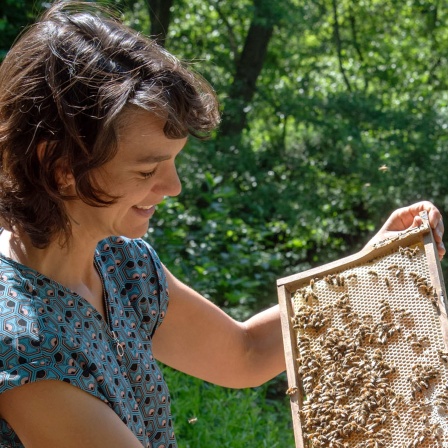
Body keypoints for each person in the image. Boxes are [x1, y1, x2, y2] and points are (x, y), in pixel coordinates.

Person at [0, 2, 444, 448]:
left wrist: (372, 275)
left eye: (173, 163)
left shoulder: (119, 263)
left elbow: (244, 353)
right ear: (60, 167)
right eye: (146, 170)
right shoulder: (23, 345)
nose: (173, 187)